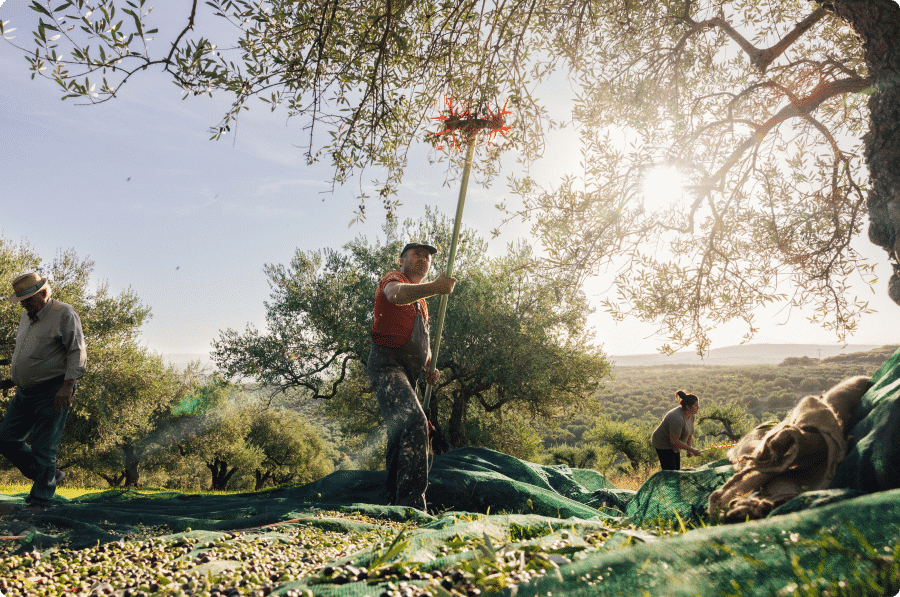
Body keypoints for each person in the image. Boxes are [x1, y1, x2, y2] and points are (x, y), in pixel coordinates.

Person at [367, 242, 456, 510]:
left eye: (427, 257)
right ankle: (413, 507)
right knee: (415, 422)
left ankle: (393, 501)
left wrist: (429, 366)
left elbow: (420, 340)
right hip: (386, 366)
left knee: (400, 434)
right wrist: (435, 288)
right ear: (402, 260)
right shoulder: (394, 279)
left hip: (408, 374)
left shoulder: (422, 305)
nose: (423, 259)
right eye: (417, 254)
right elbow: (395, 296)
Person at [0, 272, 86, 510]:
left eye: (28, 300)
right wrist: (12, 379)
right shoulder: (26, 317)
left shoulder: (64, 313)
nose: (25, 305)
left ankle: (41, 501)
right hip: (25, 391)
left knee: (44, 446)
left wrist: (68, 386)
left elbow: (77, 351)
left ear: (44, 293)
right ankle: (49, 475)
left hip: (53, 389)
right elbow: (29, 353)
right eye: (22, 301)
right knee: (6, 440)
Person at [651, 390, 701, 471]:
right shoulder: (676, 418)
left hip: (674, 443)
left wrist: (689, 450)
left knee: (676, 469)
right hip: (662, 442)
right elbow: (674, 440)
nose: (698, 407)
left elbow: (689, 434)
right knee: (670, 471)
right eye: (696, 406)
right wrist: (692, 450)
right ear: (688, 407)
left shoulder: (691, 415)